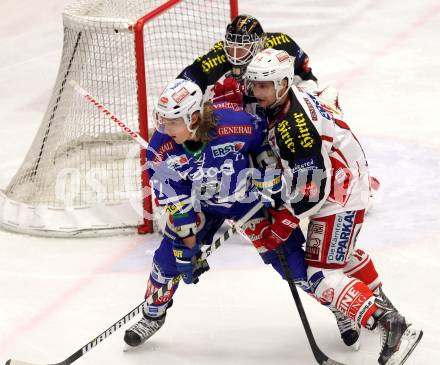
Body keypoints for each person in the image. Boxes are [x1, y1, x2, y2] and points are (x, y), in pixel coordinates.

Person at [243, 48, 423, 365]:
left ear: (283, 83)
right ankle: (379, 304)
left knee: (319, 273)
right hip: (345, 180)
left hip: (340, 195)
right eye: (254, 84)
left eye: (264, 85)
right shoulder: (285, 102)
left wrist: (283, 221)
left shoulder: (295, 128)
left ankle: (390, 323)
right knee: (342, 255)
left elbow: (310, 192)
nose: (257, 92)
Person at [123, 78, 307, 347]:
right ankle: (153, 314)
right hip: (204, 206)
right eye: (161, 120)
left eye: (172, 121)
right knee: (169, 260)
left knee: (291, 263)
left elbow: (265, 147)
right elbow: (179, 208)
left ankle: (339, 303)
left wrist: (269, 185)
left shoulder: (237, 123)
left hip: (248, 202)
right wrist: (189, 249)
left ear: (194, 117)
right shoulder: (161, 149)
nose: (163, 128)